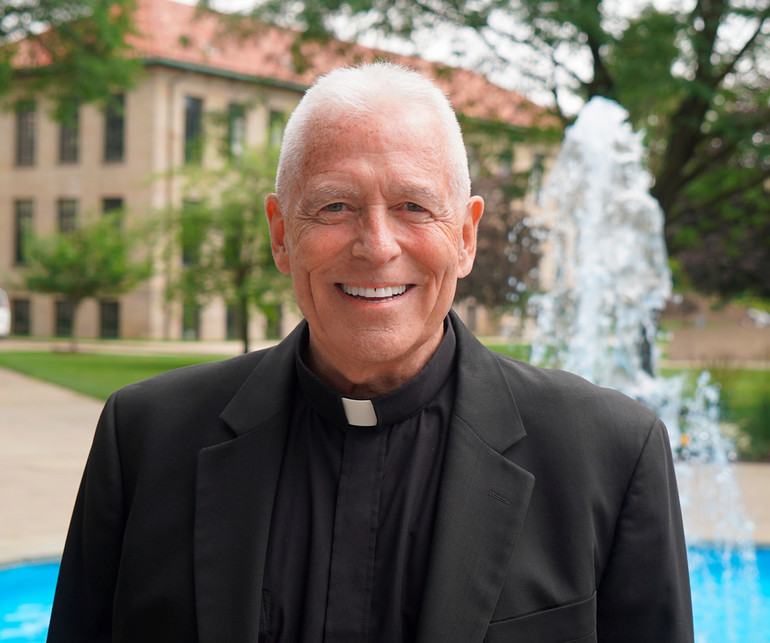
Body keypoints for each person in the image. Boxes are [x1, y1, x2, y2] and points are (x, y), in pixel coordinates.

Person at [47, 62, 693, 642]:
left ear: (465, 236)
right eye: (335, 206)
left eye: (413, 205)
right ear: (280, 234)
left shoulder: (609, 455)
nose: (376, 245)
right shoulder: (145, 440)